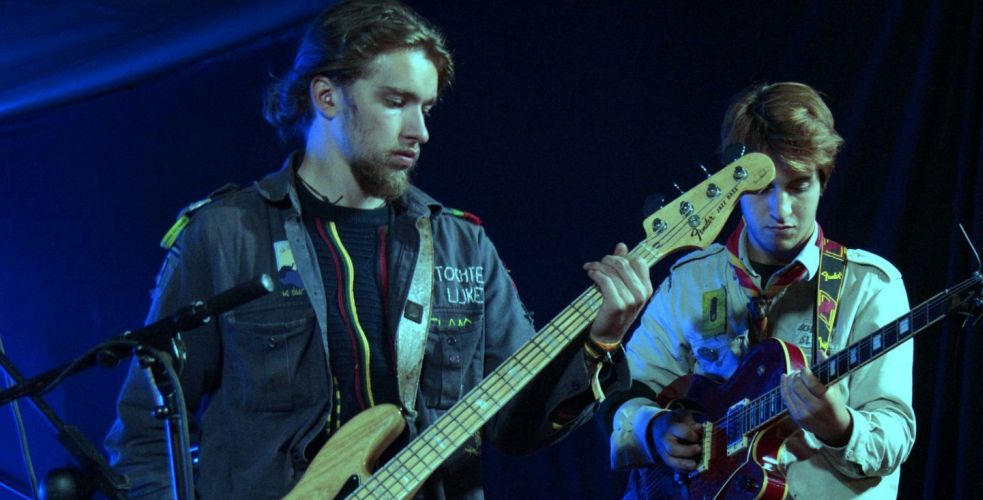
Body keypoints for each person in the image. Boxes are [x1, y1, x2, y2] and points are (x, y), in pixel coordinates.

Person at [104, 1, 651, 498]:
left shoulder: (462, 244)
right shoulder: (225, 236)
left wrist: (598, 343)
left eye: (427, 108)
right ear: (327, 97)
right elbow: (146, 435)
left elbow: (517, 427)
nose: (420, 131)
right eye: (395, 102)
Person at [607, 82, 916, 498]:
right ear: (733, 187)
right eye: (762, 188)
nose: (781, 211)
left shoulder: (871, 286)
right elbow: (629, 385)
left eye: (798, 185)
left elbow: (895, 433)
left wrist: (838, 426)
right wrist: (653, 427)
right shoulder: (691, 279)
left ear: (824, 180)